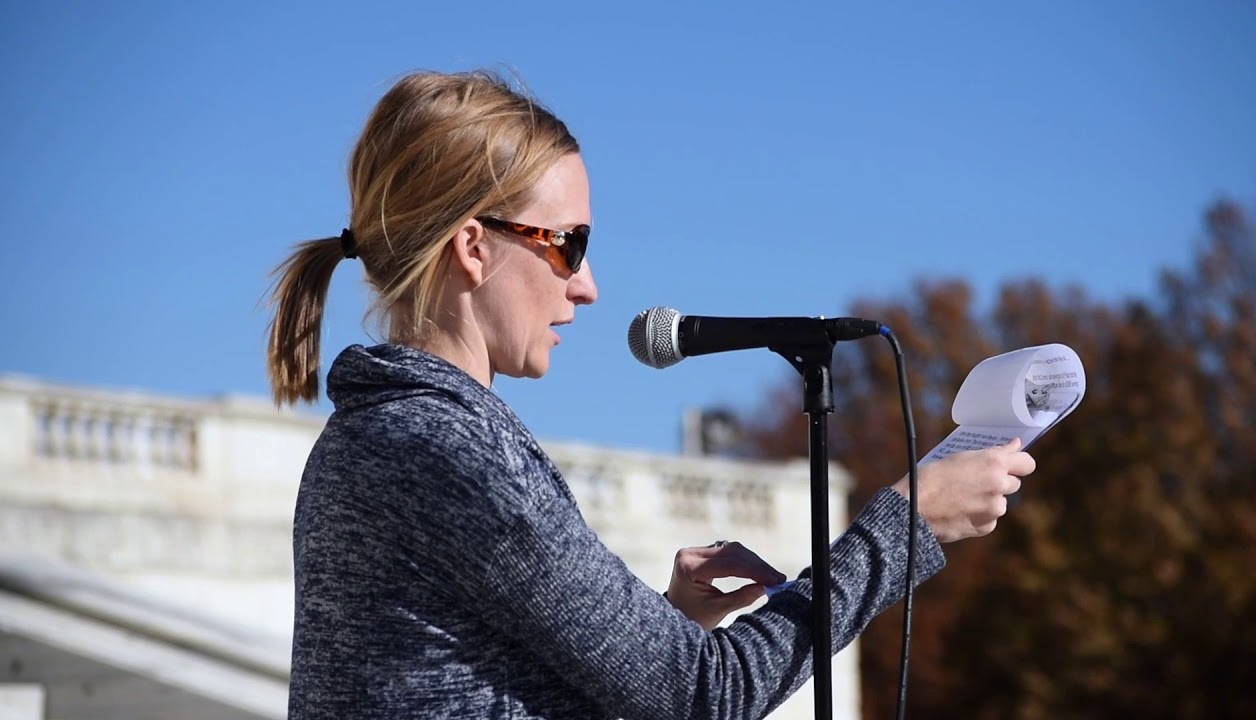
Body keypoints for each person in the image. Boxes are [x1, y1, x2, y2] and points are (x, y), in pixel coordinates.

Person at [264, 69, 1035, 720]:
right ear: (473, 247)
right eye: (568, 244)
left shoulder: (384, 433)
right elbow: (706, 693)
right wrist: (904, 527)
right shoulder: (443, 446)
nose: (588, 286)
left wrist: (662, 627)